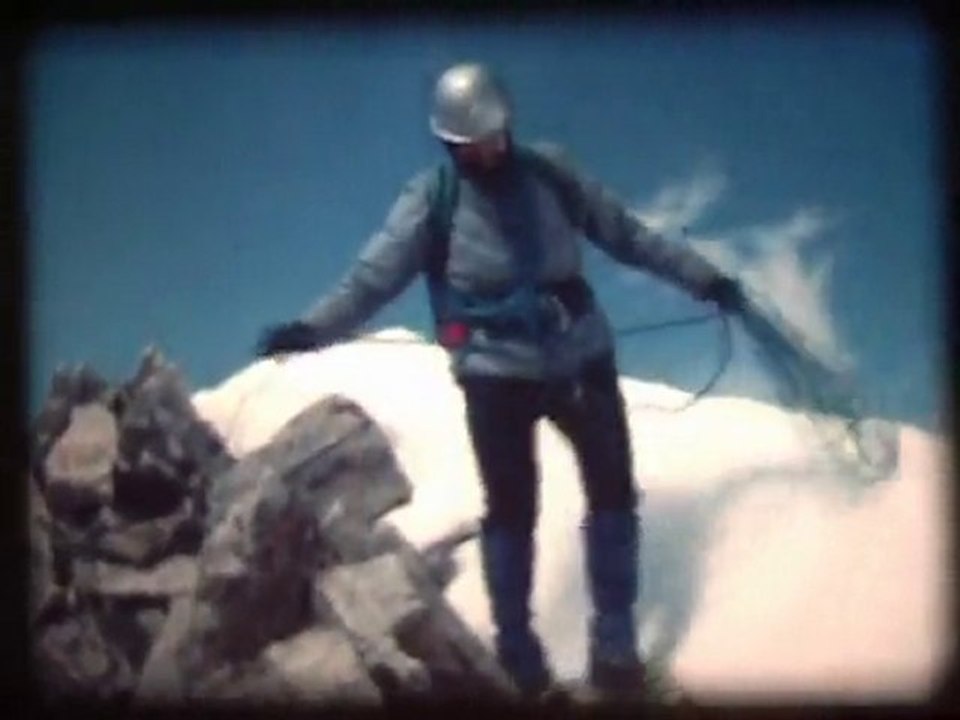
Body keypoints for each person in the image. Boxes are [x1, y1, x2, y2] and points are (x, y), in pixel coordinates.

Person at [256, 62, 744, 699]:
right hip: (495, 375)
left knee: (614, 494)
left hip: (581, 356)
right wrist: (312, 328)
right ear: (447, 144)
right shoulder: (431, 200)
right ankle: (520, 664)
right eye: (468, 145)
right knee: (512, 511)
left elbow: (627, 235)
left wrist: (704, 278)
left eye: (492, 137)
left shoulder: (552, 173)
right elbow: (371, 279)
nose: (485, 152)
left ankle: (616, 653)